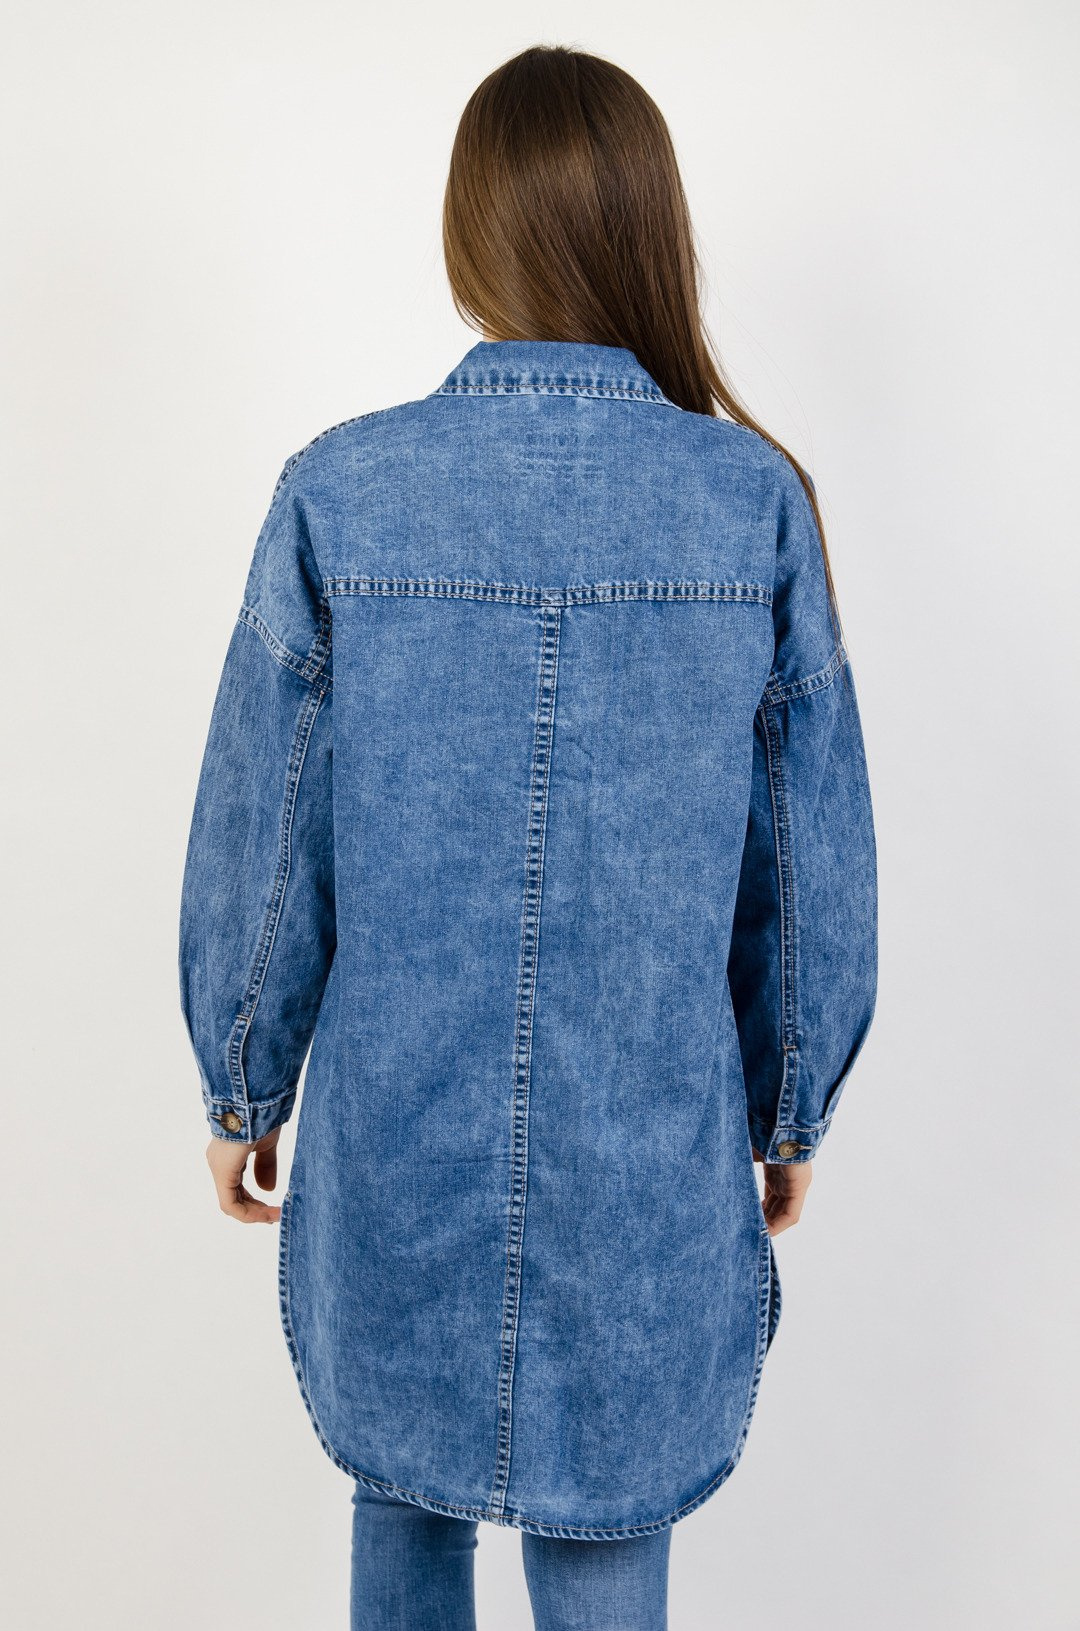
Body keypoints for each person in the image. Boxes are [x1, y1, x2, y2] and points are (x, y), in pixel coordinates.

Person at [178, 43, 878, 1631]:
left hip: (398, 1145)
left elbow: (270, 833)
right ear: (650, 229)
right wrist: (785, 1109)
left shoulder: (344, 493)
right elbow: (806, 854)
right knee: (610, 1518)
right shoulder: (751, 503)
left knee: (401, 1493)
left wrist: (240, 1080)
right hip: (649, 1155)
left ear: (469, 232)